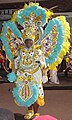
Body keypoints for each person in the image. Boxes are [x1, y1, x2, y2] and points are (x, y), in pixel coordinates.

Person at [12, 38, 48, 119]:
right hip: (24, 75)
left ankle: (36, 112)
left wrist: (44, 73)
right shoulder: (20, 51)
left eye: (30, 40)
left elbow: (43, 63)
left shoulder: (38, 51)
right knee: (27, 93)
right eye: (27, 41)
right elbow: (16, 62)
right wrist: (15, 71)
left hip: (35, 74)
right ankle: (29, 111)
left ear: (33, 41)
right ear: (24, 42)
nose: (29, 42)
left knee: (37, 92)